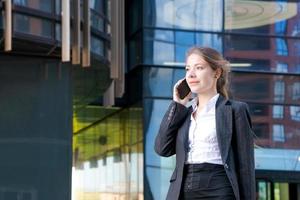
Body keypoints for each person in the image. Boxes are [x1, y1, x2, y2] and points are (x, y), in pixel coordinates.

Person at [154, 46, 255, 200]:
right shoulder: (184, 114)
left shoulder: (235, 110)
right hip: (182, 191)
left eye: (199, 68)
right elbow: (162, 149)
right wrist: (177, 105)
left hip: (220, 189)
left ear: (217, 72)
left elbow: (245, 167)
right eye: (188, 69)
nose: (191, 74)